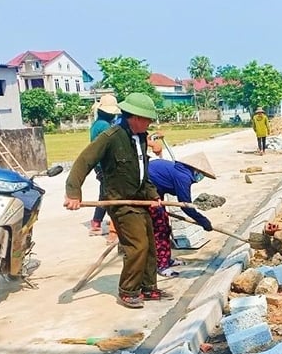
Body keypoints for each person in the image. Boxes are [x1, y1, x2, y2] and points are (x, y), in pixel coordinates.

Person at [64, 92, 173, 309]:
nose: (150, 123)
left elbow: (143, 171)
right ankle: (128, 290)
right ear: (134, 117)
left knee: (150, 245)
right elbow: (83, 161)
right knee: (137, 246)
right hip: (120, 202)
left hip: (140, 199)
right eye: (147, 119)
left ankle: (148, 287)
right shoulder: (111, 137)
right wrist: (73, 193)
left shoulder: (140, 138)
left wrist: (152, 195)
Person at [147, 147, 216, 277]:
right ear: (195, 170)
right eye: (201, 174)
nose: (201, 177)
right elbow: (185, 205)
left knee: (165, 228)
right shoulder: (183, 177)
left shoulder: (181, 171)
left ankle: (166, 259)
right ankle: (162, 266)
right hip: (148, 192)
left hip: (157, 191)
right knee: (160, 230)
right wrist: (203, 221)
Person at [89, 94, 121, 234]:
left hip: (99, 164)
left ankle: (97, 221)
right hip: (105, 165)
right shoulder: (106, 126)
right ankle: (102, 224)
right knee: (108, 194)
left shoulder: (96, 124)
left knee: (104, 193)